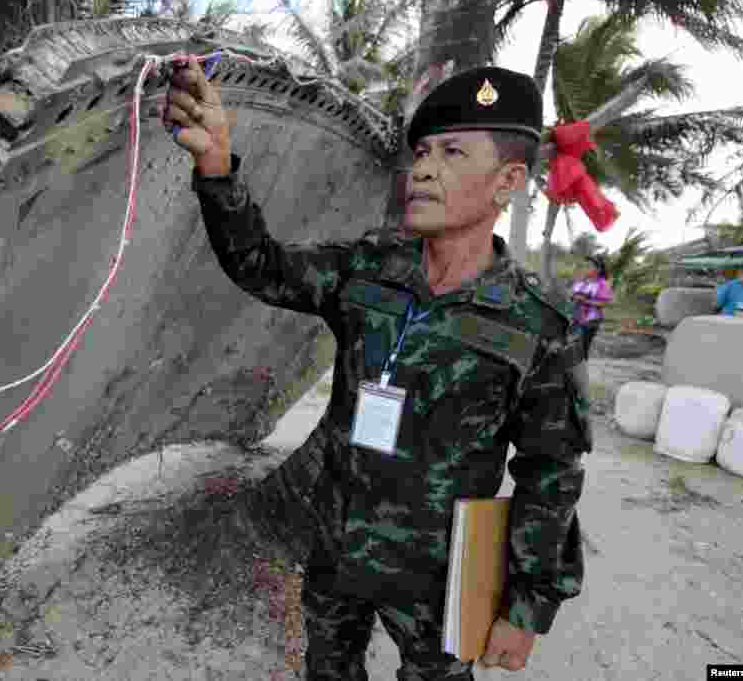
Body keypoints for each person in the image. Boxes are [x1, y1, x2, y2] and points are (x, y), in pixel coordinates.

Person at [164, 58, 591, 680]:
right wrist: (217, 163)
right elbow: (262, 264)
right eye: (421, 152)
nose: (423, 168)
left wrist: (527, 607)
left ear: (509, 180)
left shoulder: (537, 325)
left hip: (443, 578)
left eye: (451, 152)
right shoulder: (370, 266)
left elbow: (551, 474)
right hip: (338, 544)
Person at [570, 255, 614, 358]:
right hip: (575, 318)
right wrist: (573, 297)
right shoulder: (581, 282)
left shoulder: (602, 284)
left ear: (598, 269)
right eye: (585, 266)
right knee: (571, 347)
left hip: (590, 321)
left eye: (589, 266)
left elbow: (603, 304)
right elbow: (572, 295)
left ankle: (581, 369)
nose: (585, 268)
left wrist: (585, 301)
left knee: (582, 348)